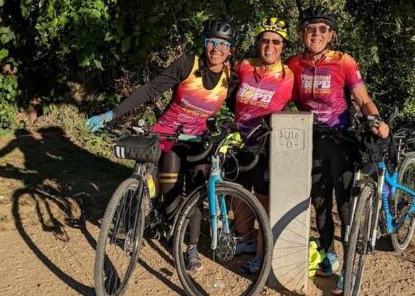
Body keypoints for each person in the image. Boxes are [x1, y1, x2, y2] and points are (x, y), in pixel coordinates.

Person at [86, 19, 237, 272]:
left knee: (197, 192)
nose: (216, 49)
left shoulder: (230, 77)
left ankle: (190, 247)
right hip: (168, 136)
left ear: (230, 49)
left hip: (198, 140)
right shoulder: (188, 64)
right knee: (170, 192)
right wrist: (112, 114)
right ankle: (165, 227)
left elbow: (238, 107)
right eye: (211, 42)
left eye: (223, 44)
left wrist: (237, 129)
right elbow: (151, 89)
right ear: (204, 43)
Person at [287, 6, 389, 295]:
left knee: (345, 207)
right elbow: (286, 98)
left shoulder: (343, 61)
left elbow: (363, 98)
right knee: (319, 203)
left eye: (322, 29)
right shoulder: (294, 64)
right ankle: (328, 255)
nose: (316, 34)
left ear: (331, 34)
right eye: (310, 29)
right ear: (301, 33)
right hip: (313, 141)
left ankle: (350, 267)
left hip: (343, 141)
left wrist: (377, 121)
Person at [228, 16, 295, 274]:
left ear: (283, 46)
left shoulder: (289, 76)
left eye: (276, 42)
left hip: (267, 144)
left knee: (263, 197)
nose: (270, 46)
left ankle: (262, 251)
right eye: (265, 40)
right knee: (236, 190)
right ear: (258, 43)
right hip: (239, 140)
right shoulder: (244, 66)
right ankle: (245, 239)